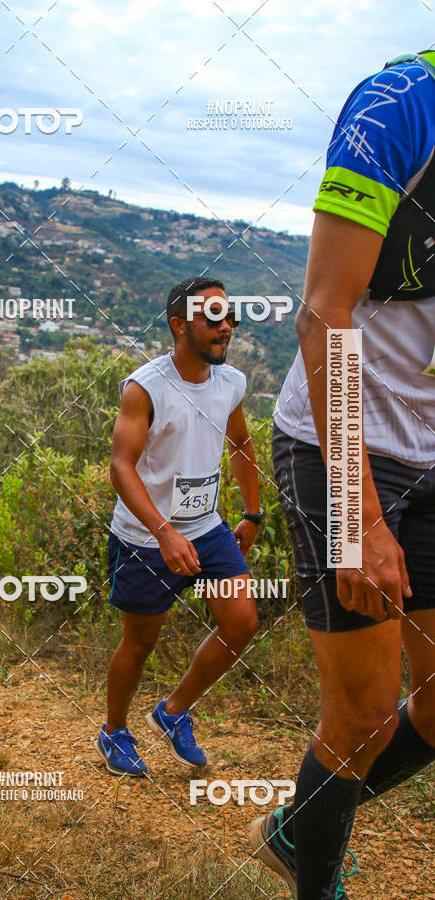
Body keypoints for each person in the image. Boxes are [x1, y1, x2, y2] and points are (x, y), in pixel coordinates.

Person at [250, 51, 435, 899]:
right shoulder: (402, 103)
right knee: (361, 716)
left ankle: (296, 827)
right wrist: (359, 513)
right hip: (346, 447)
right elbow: (324, 312)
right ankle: (316, 880)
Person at [96, 276, 262, 776]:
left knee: (242, 623)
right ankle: (114, 732)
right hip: (145, 537)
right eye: (213, 318)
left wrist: (252, 512)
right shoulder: (144, 387)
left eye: (230, 316)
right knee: (141, 641)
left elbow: (239, 444)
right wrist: (164, 532)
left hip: (207, 527)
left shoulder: (230, 384)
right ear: (179, 324)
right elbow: (121, 467)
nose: (226, 326)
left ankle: (172, 712)